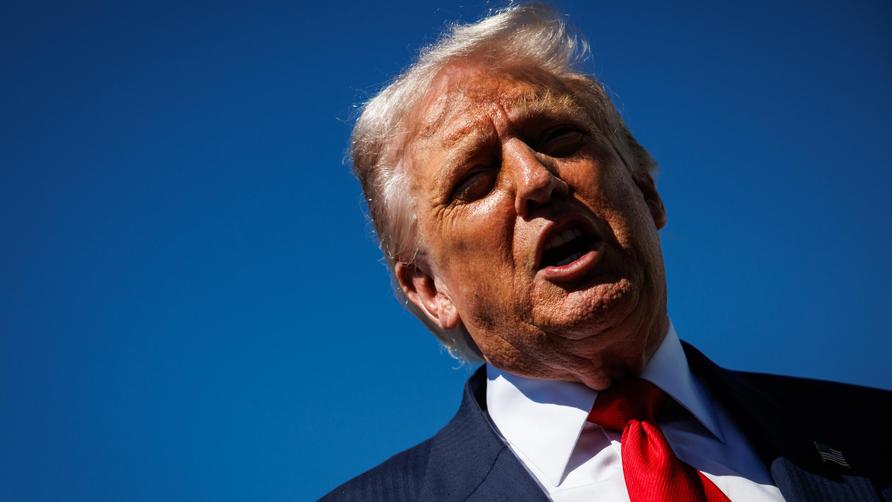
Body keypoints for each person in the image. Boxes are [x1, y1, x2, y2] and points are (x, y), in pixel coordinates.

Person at [323, 4, 892, 501]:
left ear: (647, 191)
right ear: (430, 290)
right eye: (475, 178)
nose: (535, 179)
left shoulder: (870, 434)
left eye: (560, 138)